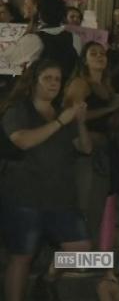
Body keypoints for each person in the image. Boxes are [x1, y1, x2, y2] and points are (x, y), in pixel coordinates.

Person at [1, 59, 92, 301]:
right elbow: (22, 140)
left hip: (61, 196)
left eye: (58, 79)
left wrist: (80, 122)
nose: (54, 83)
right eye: (48, 78)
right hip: (24, 196)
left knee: (83, 251)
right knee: (21, 256)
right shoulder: (18, 109)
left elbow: (85, 148)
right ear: (34, 82)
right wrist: (61, 121)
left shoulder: (63, 111)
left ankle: (49, 277)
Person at [64, 41, 119, 240]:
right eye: (93, 53)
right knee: (82, 202)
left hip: (104, 148)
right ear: (84, 61)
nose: (99, 56)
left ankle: (86, 252)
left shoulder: (107, 87)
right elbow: (74, 115)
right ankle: (72, 253)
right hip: (83, 150)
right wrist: (112, 108)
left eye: (102, 53)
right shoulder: (81, 84)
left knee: (97, 203)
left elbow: (111, 125)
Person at [1, 0, 81, 82]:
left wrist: (27, 32)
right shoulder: (75, 37)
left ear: (39, 13)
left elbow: (10, 58)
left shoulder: (34, 39)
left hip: (39, 88)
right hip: (65, 88)